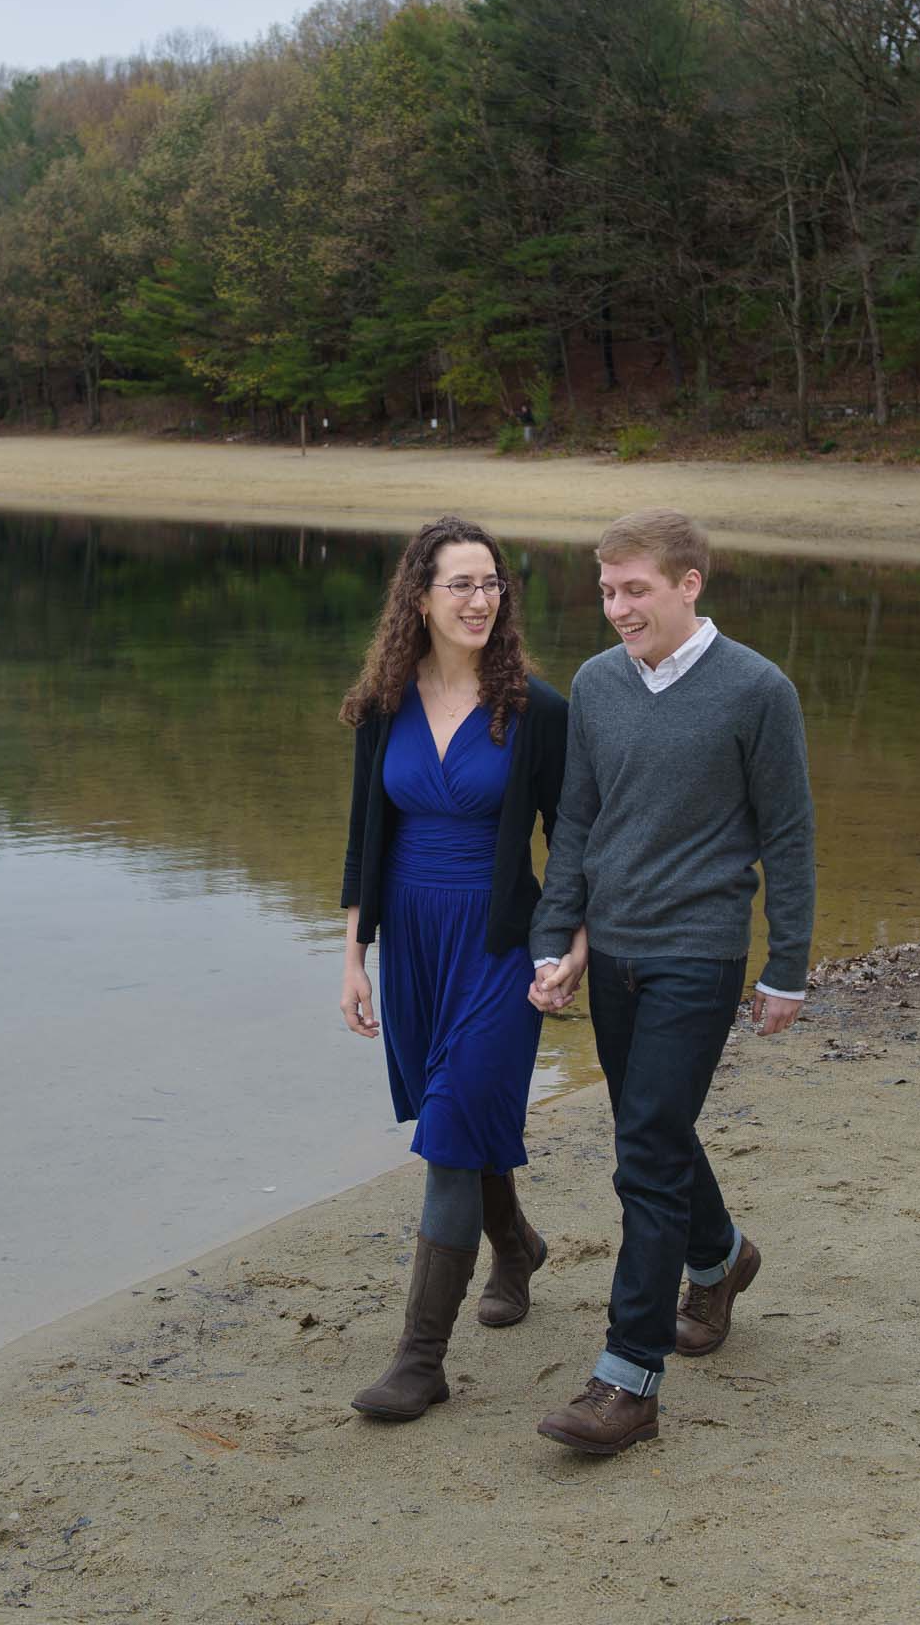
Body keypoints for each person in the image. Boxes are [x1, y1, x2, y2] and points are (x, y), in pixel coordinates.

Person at [528, 508, 814, 1456]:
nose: (615, 608)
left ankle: (627, 1381)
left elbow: (787, 835)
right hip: (610, 950)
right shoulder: (598, 685)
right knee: (649, 1124)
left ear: (690, 584)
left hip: (699, 947)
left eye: (634, 589)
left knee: (644, 1150)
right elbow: (574, 822)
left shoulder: (756, 690)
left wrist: (786, 969)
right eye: (606, 590)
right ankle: (722, 1257)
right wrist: (553, 938)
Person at [339, 514, 575, 1422]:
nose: (481, 601)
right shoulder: (382, 705)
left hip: (495, 944)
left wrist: (564, 944)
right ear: (420, 599)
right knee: (458, 1110)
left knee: (447, 1129)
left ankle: (419, 1361)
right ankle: (513, 1244)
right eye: (461, 586)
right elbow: (367, 835)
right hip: (412, 945)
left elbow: (571, 840)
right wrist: (354, 955)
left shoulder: (536, 710)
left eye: (492, 585)